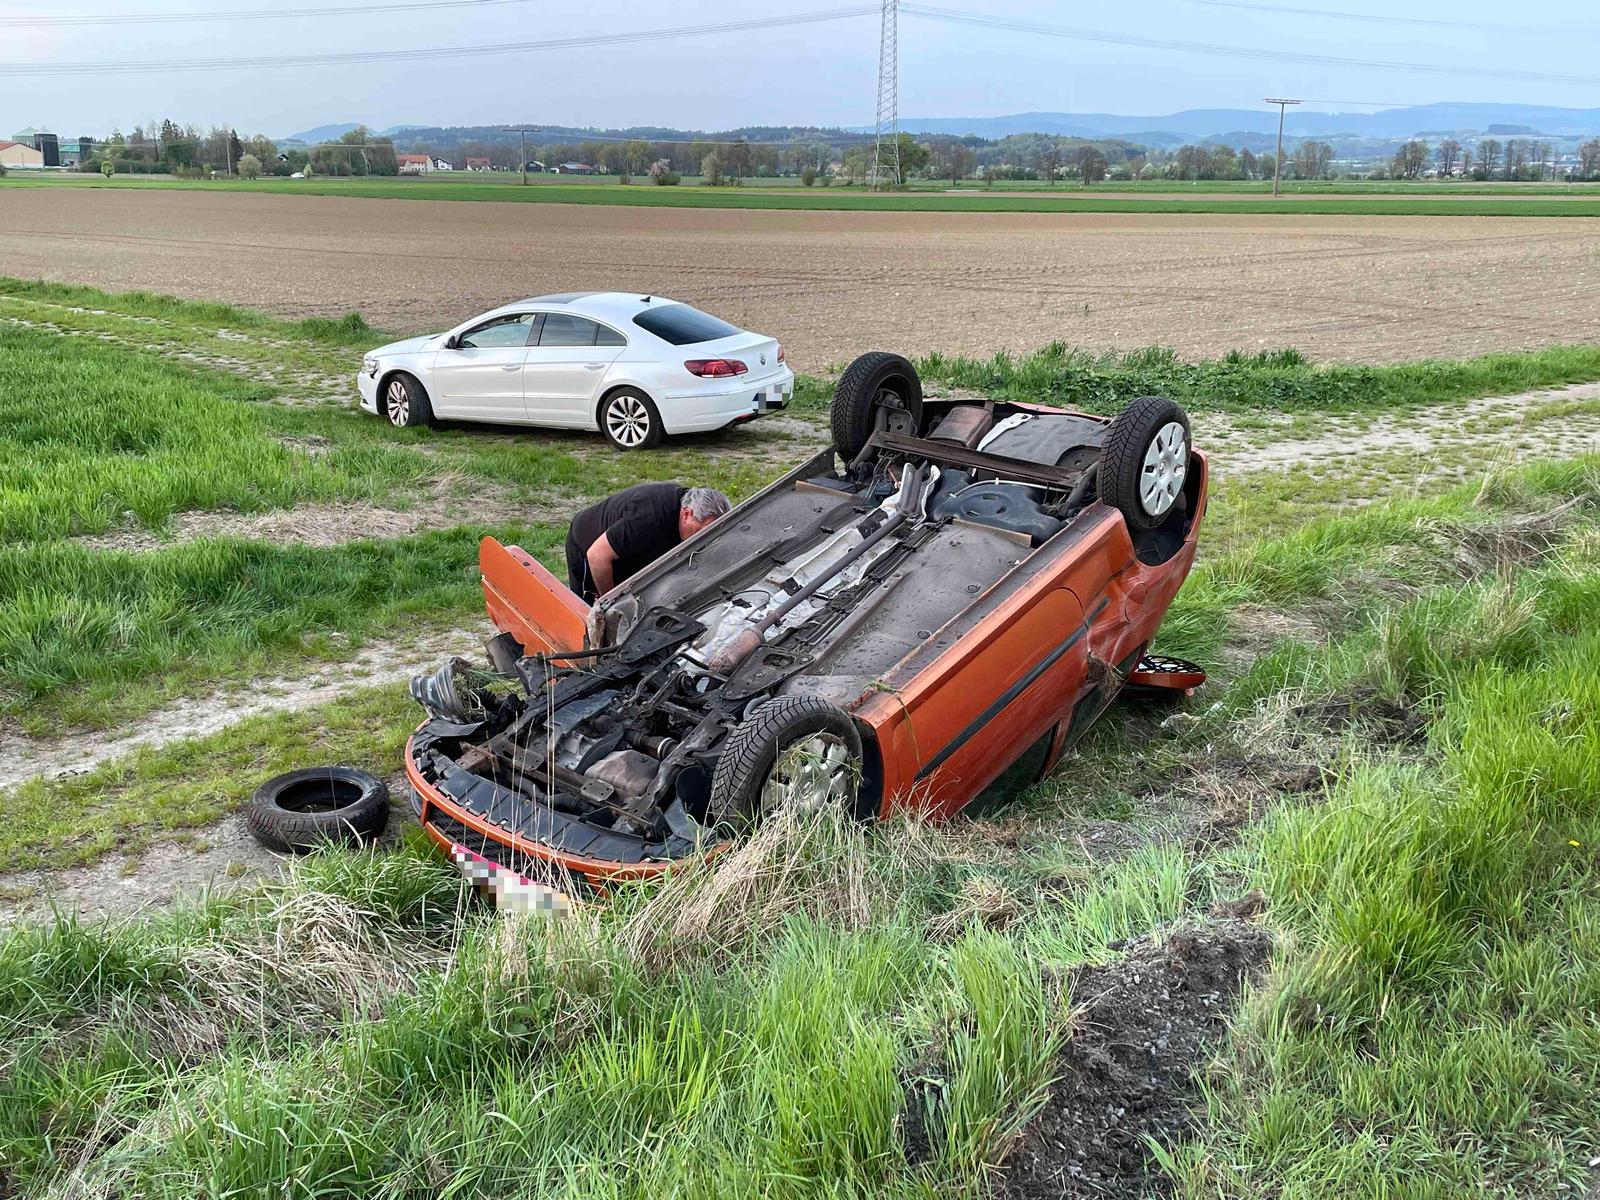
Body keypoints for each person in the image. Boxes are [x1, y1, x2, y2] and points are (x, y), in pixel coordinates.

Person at [565, 482, 731, 603]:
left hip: (633, 550)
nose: (706, 540)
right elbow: (597, 556)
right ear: (687, 514)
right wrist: (610, 602)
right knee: (590, 614)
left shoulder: (685, 514)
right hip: (590, 550)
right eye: (704, 533)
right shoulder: (647, 518)